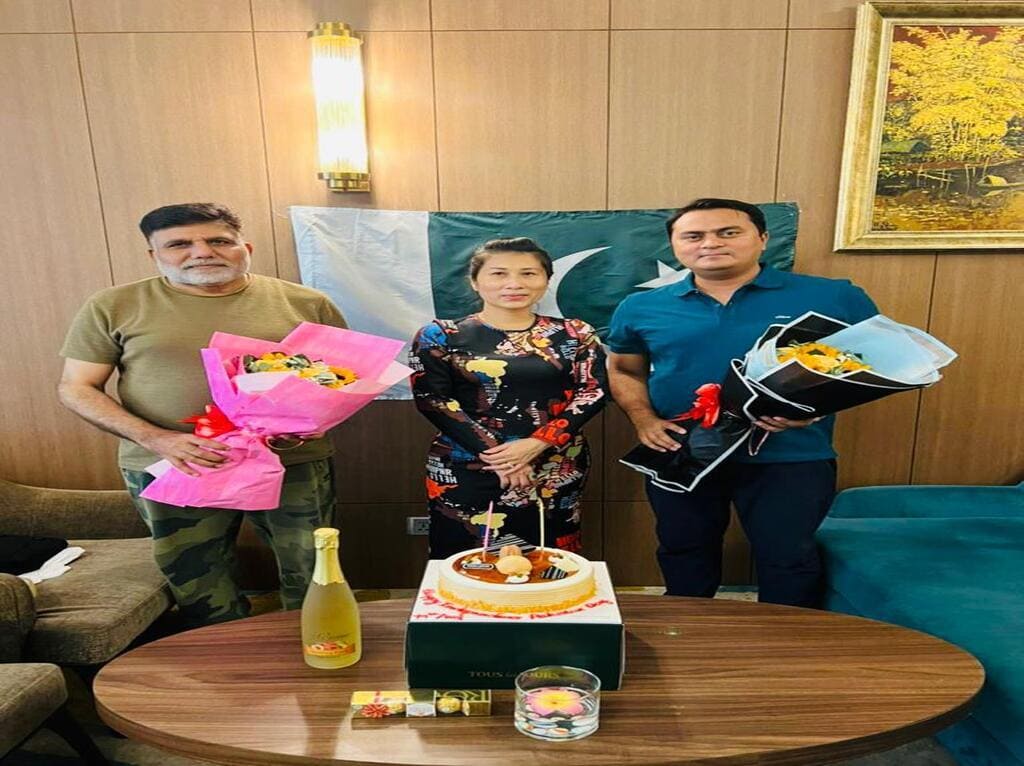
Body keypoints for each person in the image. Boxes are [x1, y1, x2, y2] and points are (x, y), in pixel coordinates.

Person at [58, 202, 346, 625]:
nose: (202, 252)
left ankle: (315, 645)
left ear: (245, 247)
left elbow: (340, 379)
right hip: (174, 462)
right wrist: (157, 439)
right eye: (179, 244)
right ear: (154, 255)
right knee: (196, 577)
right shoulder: (114, 305)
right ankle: (220, 656)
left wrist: (311, 422)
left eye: (218, 241)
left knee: (312, 564)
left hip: (291, 461)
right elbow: (76, 387)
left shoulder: (306, 303)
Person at [606, 198, 879, 607]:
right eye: (693, 236)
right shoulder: (641, 307)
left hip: (791, 454)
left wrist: (815, 408)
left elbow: (876, 359)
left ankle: (785, 637)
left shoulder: (833, 296)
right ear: (675, 245)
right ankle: (688, 631)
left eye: (728, 232)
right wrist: (643, 419)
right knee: (683, 551)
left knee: (789, 557)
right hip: (683, 450)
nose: (710, 243)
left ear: (763, 238)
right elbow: (625, 370)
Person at [410, 237, 607, 558]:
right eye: (499, 273)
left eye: (528, 273)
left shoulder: (576, 333)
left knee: (548, 556)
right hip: (467, 464)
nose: (514, 283)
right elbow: (432, 399)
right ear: (475, 281)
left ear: (546, 279)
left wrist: (538, 443)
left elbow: (594, 391)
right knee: (463, 556)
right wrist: (502, 458)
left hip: (554, 462)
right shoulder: (441, 334)